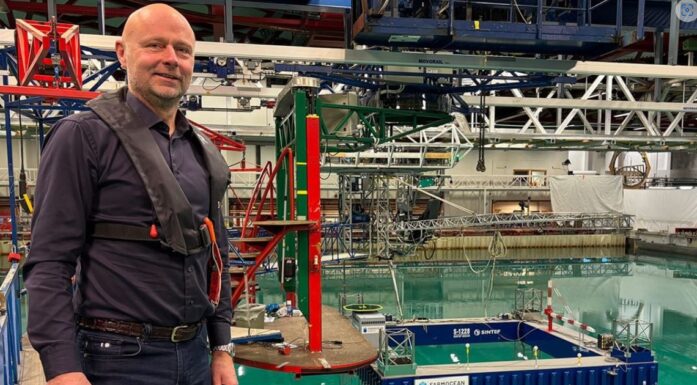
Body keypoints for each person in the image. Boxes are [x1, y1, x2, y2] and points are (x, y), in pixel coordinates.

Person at [23, 4, 238, 385]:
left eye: (183, 50)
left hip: (195, 356)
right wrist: (62, 368)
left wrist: (222, 348)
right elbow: (50, 261)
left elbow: (214, 255)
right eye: (155, 46)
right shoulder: (83, 136)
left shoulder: (201, 151)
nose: (171, 59)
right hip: (117, 360)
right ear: (122, 53)